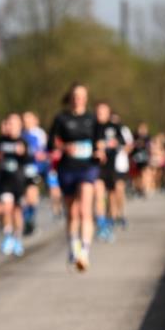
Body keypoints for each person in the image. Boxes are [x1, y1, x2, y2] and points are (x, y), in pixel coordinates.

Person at [48, 82, 103, 272]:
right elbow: (51, 144)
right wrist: (64, 147)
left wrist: (99, 152)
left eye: (81, 95)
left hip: (87, 168)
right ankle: (73, 246)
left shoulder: (92, 119)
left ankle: (85, 253)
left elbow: (99, 143)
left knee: (85, 210)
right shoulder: (61, 118)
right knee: (71, 212)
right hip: (67, 168)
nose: (78, 99)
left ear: (86, 98)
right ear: (70, 97)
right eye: (75, 95)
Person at [0, 112, 29, 257]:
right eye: (9, 123)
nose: (11, 127)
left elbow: (29, 160)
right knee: (5, 208)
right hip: (3, 181)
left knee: (17, 212)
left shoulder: (23, 142)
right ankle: (7, 234)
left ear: (20, 126)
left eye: (14, 124)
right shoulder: (0, 141)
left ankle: (17, 238)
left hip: (19, 182)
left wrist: (23, 152)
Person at [94, 101, 120, 243]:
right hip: (97, 167)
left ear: (108, 112)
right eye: (98, 111)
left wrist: (113, 143)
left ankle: (110, 220)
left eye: (103, 111)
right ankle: (101, 225)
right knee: (99, 194)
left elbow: (125, 142)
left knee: (111, 196)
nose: (100, 114)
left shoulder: (114, 126)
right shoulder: (91, 126)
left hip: (111, 166)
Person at [21, 111, 48, 235]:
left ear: (35, 120)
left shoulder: (39, 134)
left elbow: (45, 151)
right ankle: (26, 220)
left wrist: (42, 157)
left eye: (29, 119)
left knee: (32, 196)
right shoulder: (21, 134)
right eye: (24, 119)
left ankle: (30, 220)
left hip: (35, 168)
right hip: (21, 169)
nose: (26, 122)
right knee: (24, 197)